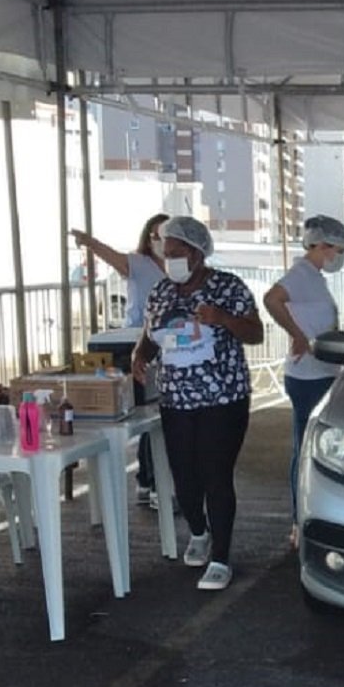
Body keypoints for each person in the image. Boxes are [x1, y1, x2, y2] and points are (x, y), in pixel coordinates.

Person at [131, 216, 263, 591]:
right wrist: (139, 355)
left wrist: (222, 318)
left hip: (223, 397)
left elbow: (255, 333)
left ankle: (221, 557)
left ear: (198, 253)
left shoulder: (228, 287)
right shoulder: (160, 292)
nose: (170, 259)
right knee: (184, 476)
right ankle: (199, 531)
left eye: (177, 253)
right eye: (165, 252)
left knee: (215, 474)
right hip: (176, 399)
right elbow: (151, 334)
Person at [262, 215, 344, 549]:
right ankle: (299, 519)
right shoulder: (301, 274)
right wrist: (297, 335)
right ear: (324, 246)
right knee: (304, 448)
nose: (339, 257)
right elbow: (271, 299)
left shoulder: (313, 278)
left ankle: (308, 515)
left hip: (323, 371)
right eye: (338, 250)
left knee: (312, 445)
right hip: (307, 374)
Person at [72, 213, 169, 506]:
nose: (162, 241)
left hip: (167, 343)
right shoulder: (137, 263)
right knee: (147, 412)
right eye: (157, 235)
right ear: (149, 237)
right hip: (137, 341)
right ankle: (149, 480)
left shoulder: (179, 267)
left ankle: (151, 479)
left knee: (157, 415)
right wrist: (89, 242)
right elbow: (112, 257)